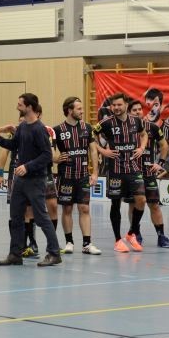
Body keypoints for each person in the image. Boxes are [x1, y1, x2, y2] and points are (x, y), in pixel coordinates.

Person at [0, 93, 62, 267]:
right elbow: (13, 145)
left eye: (20, 104)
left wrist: (28, 166)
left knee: (41, 217)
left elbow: (47, 155)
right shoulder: (23, 126)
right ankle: (15, 254)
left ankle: (54, 253)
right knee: (16, 216)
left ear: (29, 107)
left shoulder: (39, 129)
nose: (17, 107)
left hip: (35, 180)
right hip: (20, 181)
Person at [94, 92, 148, 253]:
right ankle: (118, 240)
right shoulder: (106, 122)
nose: (116, 108)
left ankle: (131, 233)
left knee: (141, 200)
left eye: (119, 105)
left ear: (126, 105)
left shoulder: (136, 121)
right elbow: (90, 136)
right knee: (115, 204)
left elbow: (144, 134)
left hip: (133, 168)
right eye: (114, 105)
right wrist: (103, 151)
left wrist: (142, 147)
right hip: (115, 170)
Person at [53, 97, 101, 255]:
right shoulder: (57, 130)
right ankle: (69, 242)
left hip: (83, 176)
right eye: (79, 109)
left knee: (84, 208)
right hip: (66, 176)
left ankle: (87, 243)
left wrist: (95, 172)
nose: (82, 111)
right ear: (69, 110)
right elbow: (48, 150)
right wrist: (55, 158)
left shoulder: (87, 127)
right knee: (67, 208)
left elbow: (93, 150)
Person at [130, 100, 169, 248]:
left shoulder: (152, 127)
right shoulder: (125, 128)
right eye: (134, 110)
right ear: (129, 113)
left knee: (154, 205)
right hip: (131, 173)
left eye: (139, 109)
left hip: (148, 172)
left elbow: (164, 145)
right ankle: (136, 233)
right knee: (133, 204)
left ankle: (161, 236)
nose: (137, 112)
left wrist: (160, 163)